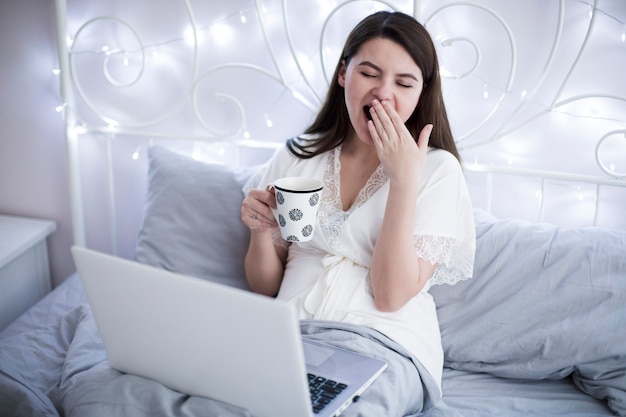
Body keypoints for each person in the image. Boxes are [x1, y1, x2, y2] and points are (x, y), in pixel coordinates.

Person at [240, 10, 475, 416]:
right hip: (288, 336)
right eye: (369, 74)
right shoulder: (297, 156)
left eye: (404, 83)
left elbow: (390, 295)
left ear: (421, 93)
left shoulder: (438, 170)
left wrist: (403, 181)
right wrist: (261, 229)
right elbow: (265, 286)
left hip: (383, 344)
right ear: (343, 74)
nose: (385, 94)